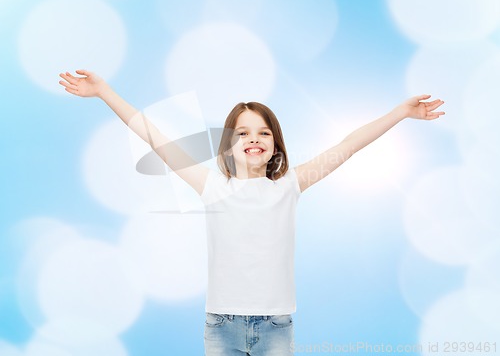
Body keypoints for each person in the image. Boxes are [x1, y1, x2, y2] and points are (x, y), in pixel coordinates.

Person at [58, 70, 445, 356]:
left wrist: (401, 113)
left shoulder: (289, 186)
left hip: (276, 327)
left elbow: (349, 145)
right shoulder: (212, 186)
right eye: (242, 132)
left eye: (262, 132)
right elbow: (156, 138)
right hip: (221, 326)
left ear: (275, 144)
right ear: (228, 146)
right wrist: (104, 91)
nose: (253, 139)